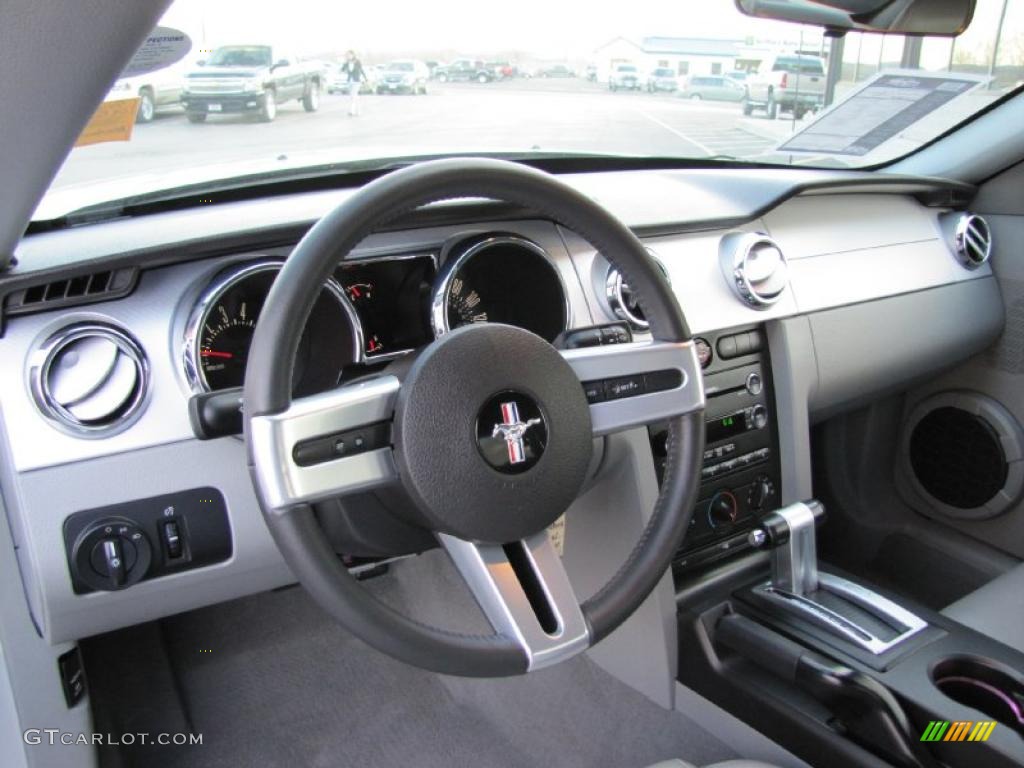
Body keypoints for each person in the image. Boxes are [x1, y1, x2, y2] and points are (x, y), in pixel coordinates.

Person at [340, 50, 366, 116]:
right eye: (347, 55)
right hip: (349, 81)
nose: (348, 56)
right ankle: (358, 110)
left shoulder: (357, 62)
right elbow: (342, 69)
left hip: (356, 81)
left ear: (353, 55)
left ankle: (352, 111)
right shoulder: (347, 63)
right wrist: (342, 68)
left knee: (353, 96)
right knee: (354, 96)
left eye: (350, 55)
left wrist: (365, 78)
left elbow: (361, 70)